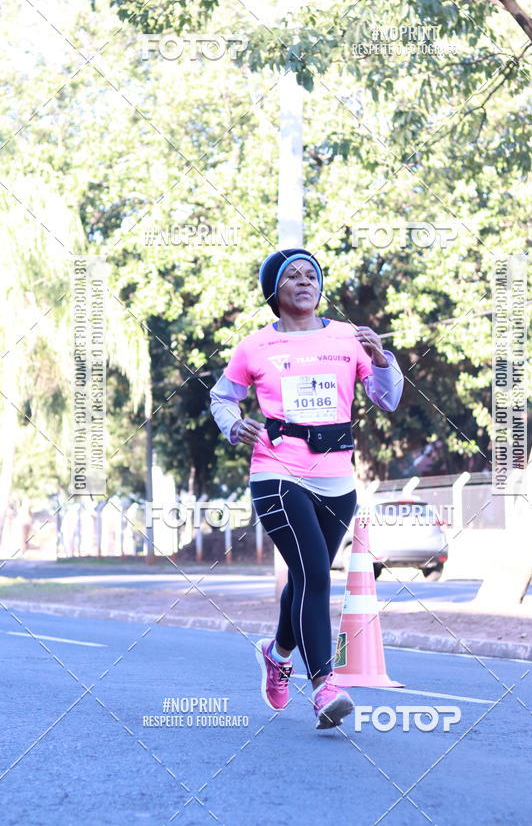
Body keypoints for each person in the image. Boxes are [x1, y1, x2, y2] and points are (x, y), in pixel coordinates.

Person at [209, 248, 403, 730]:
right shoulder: (255, 346)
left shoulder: (348, 337)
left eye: (310, 274)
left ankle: (277, 653)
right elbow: (222, 398)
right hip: (277, 472)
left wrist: (380, 358)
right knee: (316, 573)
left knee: (302, 576)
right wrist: (236, 426)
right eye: (292, 276)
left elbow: (388, 399)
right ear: (275, 291)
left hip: (337, 478)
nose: (303, 281)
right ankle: (324, 687)